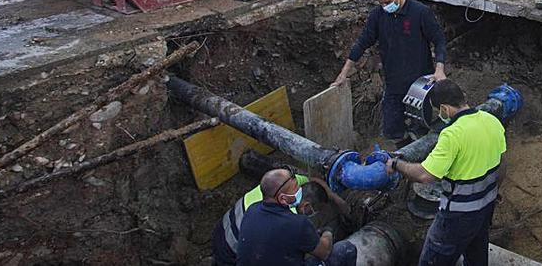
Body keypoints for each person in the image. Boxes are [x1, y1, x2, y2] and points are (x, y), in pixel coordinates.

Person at [385, 79, 506, 266]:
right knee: (477, 259)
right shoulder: (491, 121)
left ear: (444, 108)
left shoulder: (452, 135)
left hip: (456, 218)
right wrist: (492, 191)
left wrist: (396, 164)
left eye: (438, 111)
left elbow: (425, 175)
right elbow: (502, 164)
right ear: (463, 97)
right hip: (485, 209)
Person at [332, 0, 447, 145]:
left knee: (420, 127)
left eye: (387, 2)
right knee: (392, 129)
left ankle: (420, 156)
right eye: (381, 3)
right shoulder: (378, 16)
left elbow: (439, 40)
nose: (385, 7)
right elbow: (362, 42)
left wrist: (439, 69)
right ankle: (404, 153)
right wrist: (343, 74)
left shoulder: (420, 12)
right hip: (393, 81)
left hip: (420, 83)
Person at [212, 172, 353, 266]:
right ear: (306, 206)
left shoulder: (257, 206)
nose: (298, 189)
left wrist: (336, 199)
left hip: (221, 236)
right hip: (228, 255)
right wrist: (328, 231)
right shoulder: (295, 222)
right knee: (345, 250)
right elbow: (324, 252)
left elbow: (314, 180)